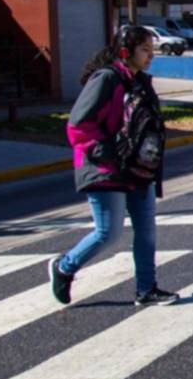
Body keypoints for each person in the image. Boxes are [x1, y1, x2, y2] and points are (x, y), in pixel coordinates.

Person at [48, 24, 179, 307]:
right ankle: (64, 267)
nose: (151, 56)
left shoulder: (140, 81)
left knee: (146, 230)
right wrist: (106, 152)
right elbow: (77, 126)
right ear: (124, 52)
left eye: (152, 50)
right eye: (145, 50)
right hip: (105, 168)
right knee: (108, 233)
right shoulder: (106, 79)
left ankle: (146, 289)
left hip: (137, 168)